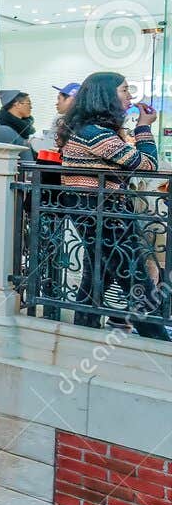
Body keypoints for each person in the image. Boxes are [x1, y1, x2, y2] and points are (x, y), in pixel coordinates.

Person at [56, 72, 167, 339]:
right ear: (105, 95)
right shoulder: (94, 133)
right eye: (124, 90)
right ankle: (156, 336)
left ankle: (83, 322)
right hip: (101, 209)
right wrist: (144, 127)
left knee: (100, 267)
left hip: (96, 207)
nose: (130, 95)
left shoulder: (91, 129)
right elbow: (147, 165)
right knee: (131, 271)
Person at [0, 89, 37, 158]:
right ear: (17, 104)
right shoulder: (4, 131)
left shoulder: (21, 128)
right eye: (28, 103)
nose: (31, 107)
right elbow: (3, 162)